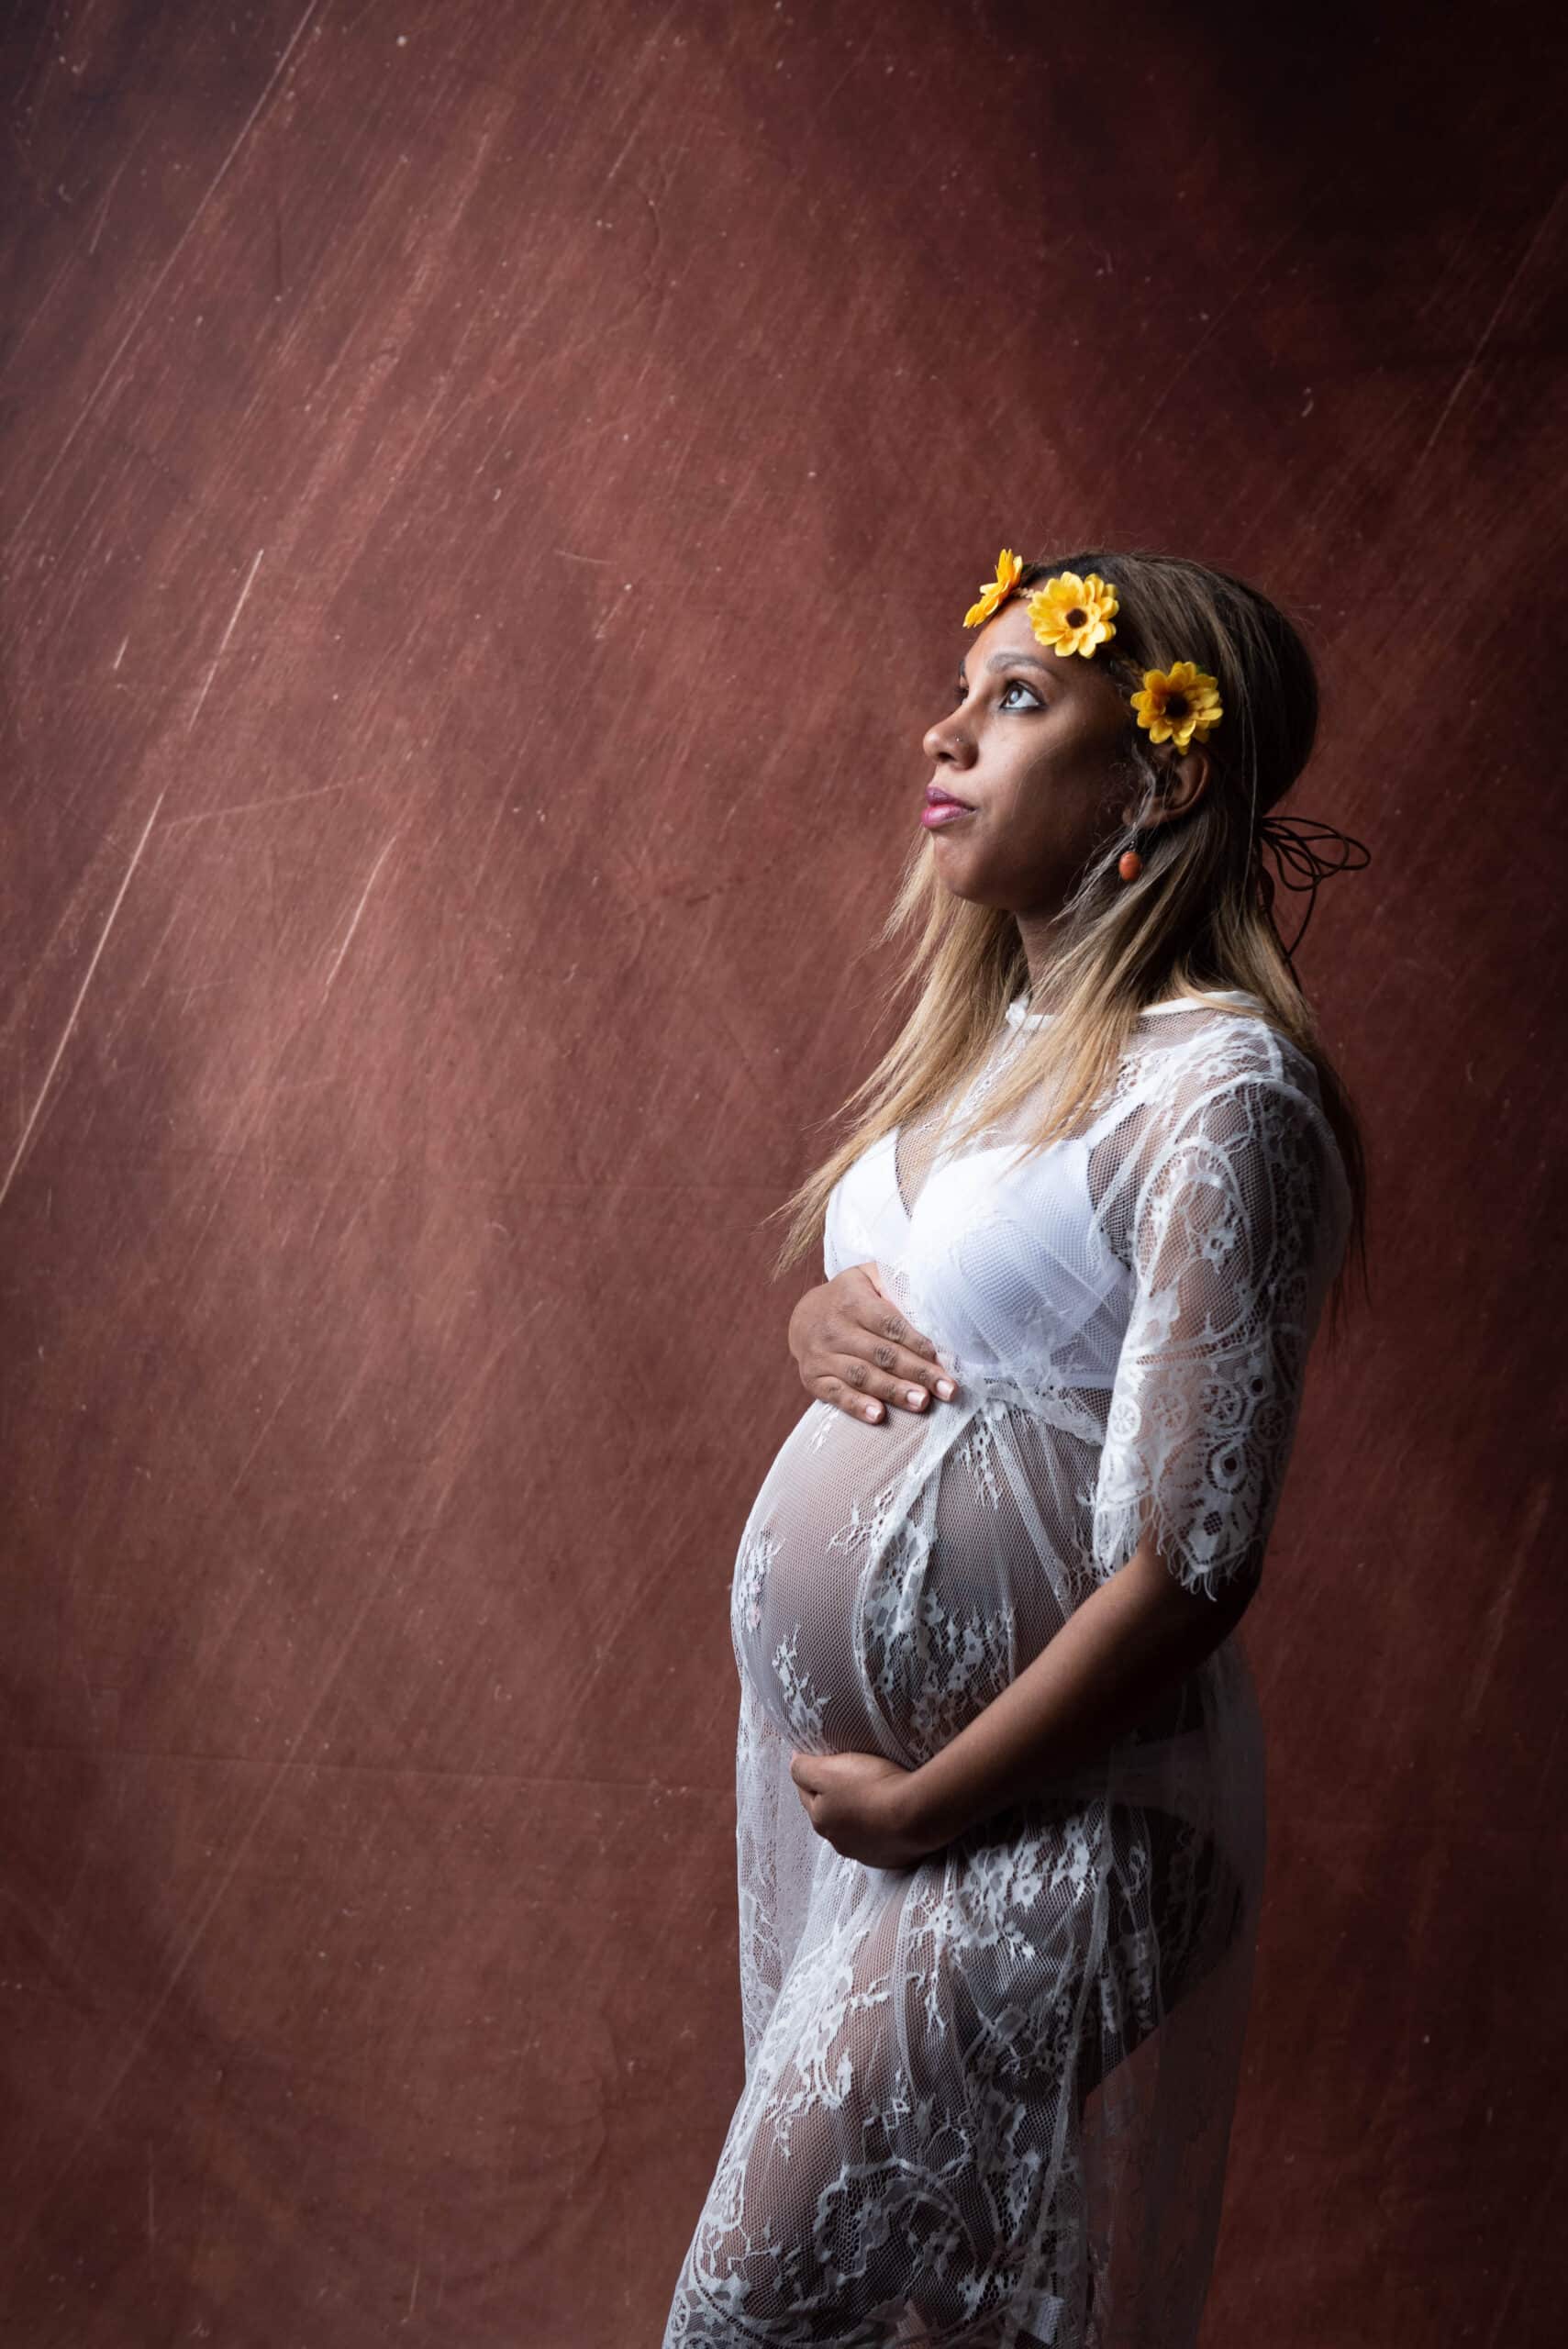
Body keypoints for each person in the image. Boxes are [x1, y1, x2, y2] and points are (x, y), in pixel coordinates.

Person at [661, 546, 1372, 2348]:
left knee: (751, 2309)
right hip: (908, 1815)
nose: (946, 726)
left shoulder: (1217, 1087)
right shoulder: (980, 1057)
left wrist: (936, 1796)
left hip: (1059, 1811)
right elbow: (961, 1331)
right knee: (935, 2322)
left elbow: (1196, 1556)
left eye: (1016, 698)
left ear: (1164, 770)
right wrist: (810, 1326)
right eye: (961, 690)